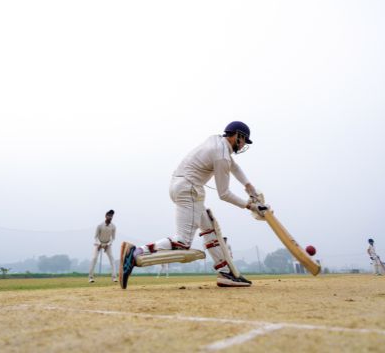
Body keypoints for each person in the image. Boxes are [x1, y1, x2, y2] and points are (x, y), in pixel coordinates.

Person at [120, 121, 265, 289]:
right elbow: (224, 194)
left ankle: (225, 273)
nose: (244, 144)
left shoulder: (216, 140)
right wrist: (251, 206)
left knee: (210, 228)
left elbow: (235, 167)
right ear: (237, 136)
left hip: (181, 185)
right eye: (244, 140)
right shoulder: (222, 155)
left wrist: (250, 189)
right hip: (189, 189)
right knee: (182, 242)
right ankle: (136, 252)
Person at [89, 210, 117, 283]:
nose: (110, 217)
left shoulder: (113, 226)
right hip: (98, 243)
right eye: (109, 215)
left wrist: (108, 245)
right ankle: (91, 278)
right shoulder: (100, 225)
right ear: (105, 216)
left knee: (112, 259)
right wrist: (99, 244)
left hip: (107, 244)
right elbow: (95, 237)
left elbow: (113, 238)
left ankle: (114, 277)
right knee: (94, 258)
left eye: (111, 216)